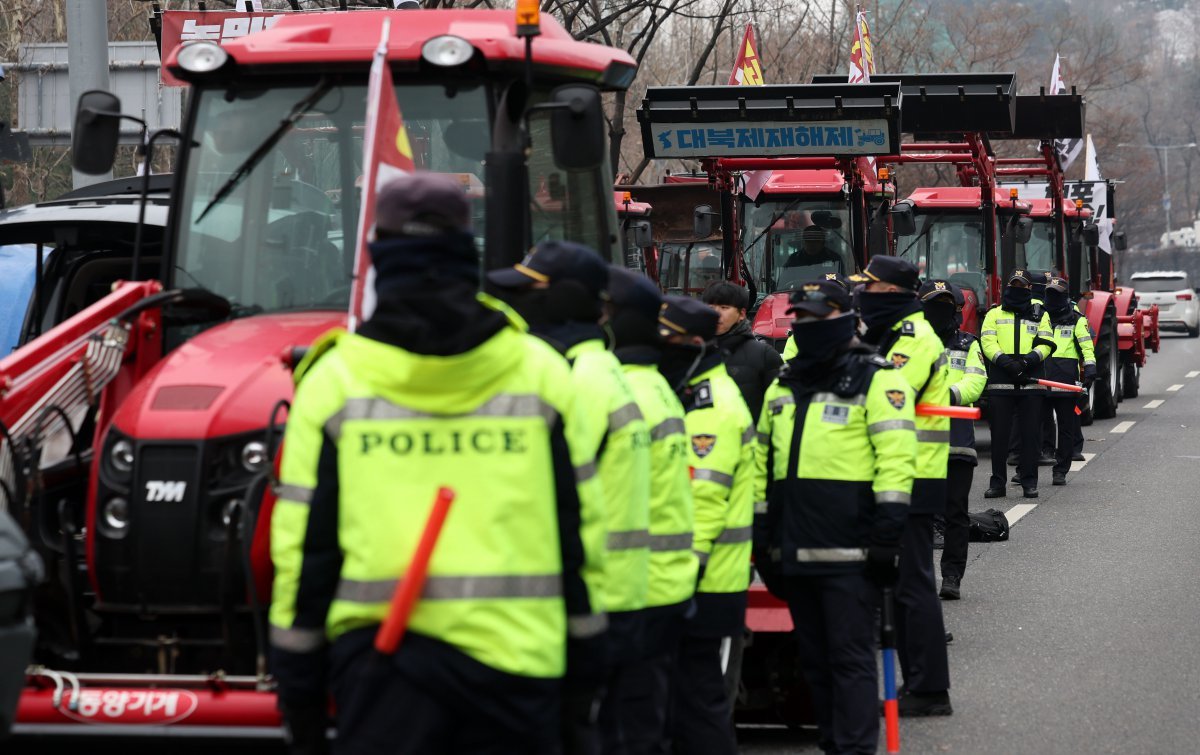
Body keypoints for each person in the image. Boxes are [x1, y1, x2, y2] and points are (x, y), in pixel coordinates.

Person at [269, 173, 608, 755]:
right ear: (466, 251)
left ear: (379, 254)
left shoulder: (333, 384)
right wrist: (583, 683)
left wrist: (299, 692)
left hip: (383, 674)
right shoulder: (543, 376)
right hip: (519, 670)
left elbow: (306, 554)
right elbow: (581, 542)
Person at [488, 243, 652, 755]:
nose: (516, 304)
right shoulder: (597, 369)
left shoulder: (574, 381)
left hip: (586, 594)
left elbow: (543, 496)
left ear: (565, 299)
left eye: (528, 291)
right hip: (612, 590)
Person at [754, 278, 918, 755]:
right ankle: (832, 743)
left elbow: (896, 462)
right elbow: (761, 466)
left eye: (816, 317)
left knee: (849, 660)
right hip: (794, 549)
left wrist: (888, 536)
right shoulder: (783, 384)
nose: (805, 325)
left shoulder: (877, 377)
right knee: (814, 662)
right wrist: (763, 536)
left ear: (845, 319)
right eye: (800, 316)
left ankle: (855, 748)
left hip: (852, 552)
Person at [855, 255, 953, 717]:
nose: (862, 296)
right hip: (889, 470)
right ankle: (915, 684)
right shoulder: (885, 331)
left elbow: (884, 391)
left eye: (870, 289)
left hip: (914, 472)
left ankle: (930, 689)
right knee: (894, 584)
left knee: (913, 585)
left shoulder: (914, 339)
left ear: (892, 294)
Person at [657, 296, 755, 755]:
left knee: (701, 703)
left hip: (708, 579)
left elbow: (705, 499)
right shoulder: (691, 393)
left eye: (667, 338)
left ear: (693, 343)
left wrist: (684, 570)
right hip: (701, 575)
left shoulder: (711, 408)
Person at [607, 268, 698, 753]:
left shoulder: (623, 391)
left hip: (629, 588)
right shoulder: (658, 389)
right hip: (660, 579)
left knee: (630, 724)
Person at [918, 280, 986, 602]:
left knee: (955, 513)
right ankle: (918, 578)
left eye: (947, 304)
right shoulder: (910, 344)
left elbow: (976, 380)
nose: (939, 311)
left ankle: (952, 576)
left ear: (957, 311)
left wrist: (947, 395)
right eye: (934, 303)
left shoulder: (967, 344)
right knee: (918, 516)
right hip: (916, 446)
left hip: (957, 443)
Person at [980, 269, 1054, 499]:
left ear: (1029, 290)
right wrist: (1005, 362)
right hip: (1001, 383)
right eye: (1014, 284)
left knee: (1030, 437)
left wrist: (1026, 361)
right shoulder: (993, 314)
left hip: (1030, 382)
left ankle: (1029, 482)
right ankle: (997, 483)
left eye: (1022, 286)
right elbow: (987, 341)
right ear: (1007, 287)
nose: (1017, 289)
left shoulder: (1040, 314)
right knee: (999, 438)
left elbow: (1047, 343)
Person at [701, 280, 783, 422]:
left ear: (742, 314)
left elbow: (780, 414)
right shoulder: (692, 354)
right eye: (711, 307)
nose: (716, 313)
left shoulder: (764, 356)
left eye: (724, 307)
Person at [1042, 276, 1096, 486]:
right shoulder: (1038, 317)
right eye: (1050, 294)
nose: (1052, 298)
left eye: (1057, 294)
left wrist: (1090, 368)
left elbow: (1086, 347)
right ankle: (1030, 466)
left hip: (1065, 381)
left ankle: (1061, 469)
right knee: (1036, 426)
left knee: (1066, 427)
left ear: (1065, 297)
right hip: (1040, 379)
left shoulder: (1077, 320)